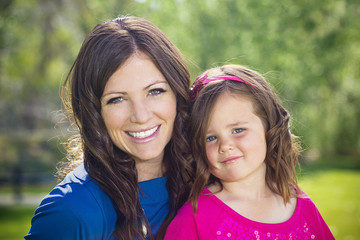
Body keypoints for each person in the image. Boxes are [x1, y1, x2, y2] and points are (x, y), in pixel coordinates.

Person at [25, 16, 193, 240]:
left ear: (177, 94)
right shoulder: (72, 212)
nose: (141, 116)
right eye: (117, 99)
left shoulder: (209, 179)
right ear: (95, 112)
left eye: (155, 91)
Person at [164, 64, 335, 239]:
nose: (225, 146)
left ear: (268, 126)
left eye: (238, 130)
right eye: (210, 138)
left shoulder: (300, 204)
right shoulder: (193, 219)